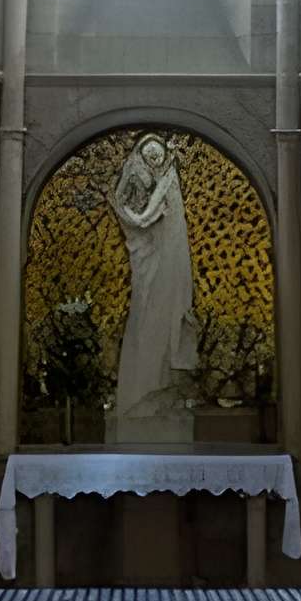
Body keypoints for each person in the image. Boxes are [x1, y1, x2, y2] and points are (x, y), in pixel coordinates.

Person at [110, 134, 198, 425]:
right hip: (146, 250)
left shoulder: (169, 176)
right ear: (141, 155)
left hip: (167, 251)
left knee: (167, 309)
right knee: (147, 310)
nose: (154, 158)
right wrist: (139, 220)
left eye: (157, 153)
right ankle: (142, 390)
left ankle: (161, 386)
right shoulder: (135, 171)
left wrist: (146, 216)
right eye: (149, 154)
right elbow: (121, 201)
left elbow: (158, 201)